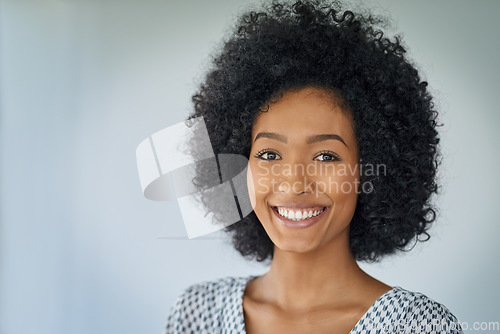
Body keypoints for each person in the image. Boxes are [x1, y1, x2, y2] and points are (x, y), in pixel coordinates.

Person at [166, 1, 462, 333]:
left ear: (369, 170)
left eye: (325, 157)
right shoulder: (197, 314)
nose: (294, 184)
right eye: (269, 154)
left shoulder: (417, 326)